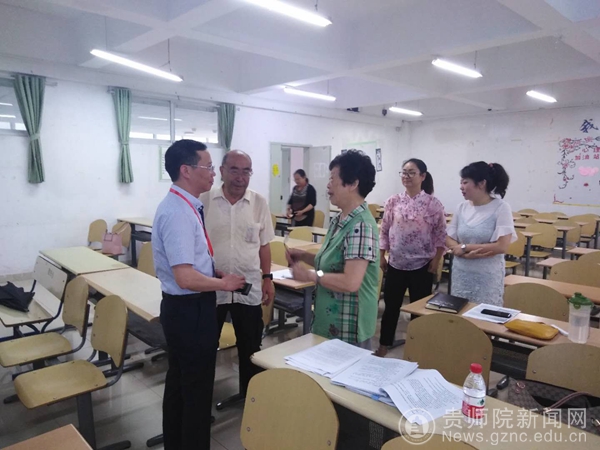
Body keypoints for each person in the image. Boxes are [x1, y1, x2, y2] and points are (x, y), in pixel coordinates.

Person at [152, 139, 245, 450]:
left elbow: (190, 265)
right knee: (196, 391)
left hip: (184, 309)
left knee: (181, 384)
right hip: (190, 310)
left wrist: (212, 272)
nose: (213, 174)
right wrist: (224, 284)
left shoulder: (184, 205)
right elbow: (185, 277)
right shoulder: (179, 212)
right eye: (208, 167)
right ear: (186, 170)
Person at [200, 150, 275, 406]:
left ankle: (251, 398)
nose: (240, 177)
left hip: (248, 286)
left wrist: (268, 278)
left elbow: (264, 245)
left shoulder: (259, 203)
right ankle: (202, 401)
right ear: (221, 171)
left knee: (251, 346)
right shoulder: (204, 200)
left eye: (246, 171)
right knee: (206, 345)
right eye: (234, 170)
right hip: (212, 287)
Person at [287, 150, 379, 347]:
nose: (328, 185)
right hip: (330, 320)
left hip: (349, 326)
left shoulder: (361, 225)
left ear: (352, 184)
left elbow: (350, 282)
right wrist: (303, 256)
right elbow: (332, 265)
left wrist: (310, 276)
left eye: (332, 179)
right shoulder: (340, 219)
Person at [376, 158, 446, 357]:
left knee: (419, 310)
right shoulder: (393, 201)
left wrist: (437, 259)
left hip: (422, 264)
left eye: (411, 173)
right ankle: (384, 345)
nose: (406, 176)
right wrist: (382, 255)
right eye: (404, 172)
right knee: (391, 307)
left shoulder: (433, 204)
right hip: (396, 263)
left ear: (422, 176)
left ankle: (417, 348)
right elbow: (384, 230)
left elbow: (441, 234)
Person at [446, 161, 516, 306]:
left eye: (465, 182)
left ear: (482, 183)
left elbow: (501, 246)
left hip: (487, 276)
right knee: (459, 313)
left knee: (484, 314)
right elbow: (448, 237)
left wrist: (465, 247)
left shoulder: (501, 207)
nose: (461, 187)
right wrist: (464, 253)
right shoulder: (461, 207)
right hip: (461, 272)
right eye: (461, 182)